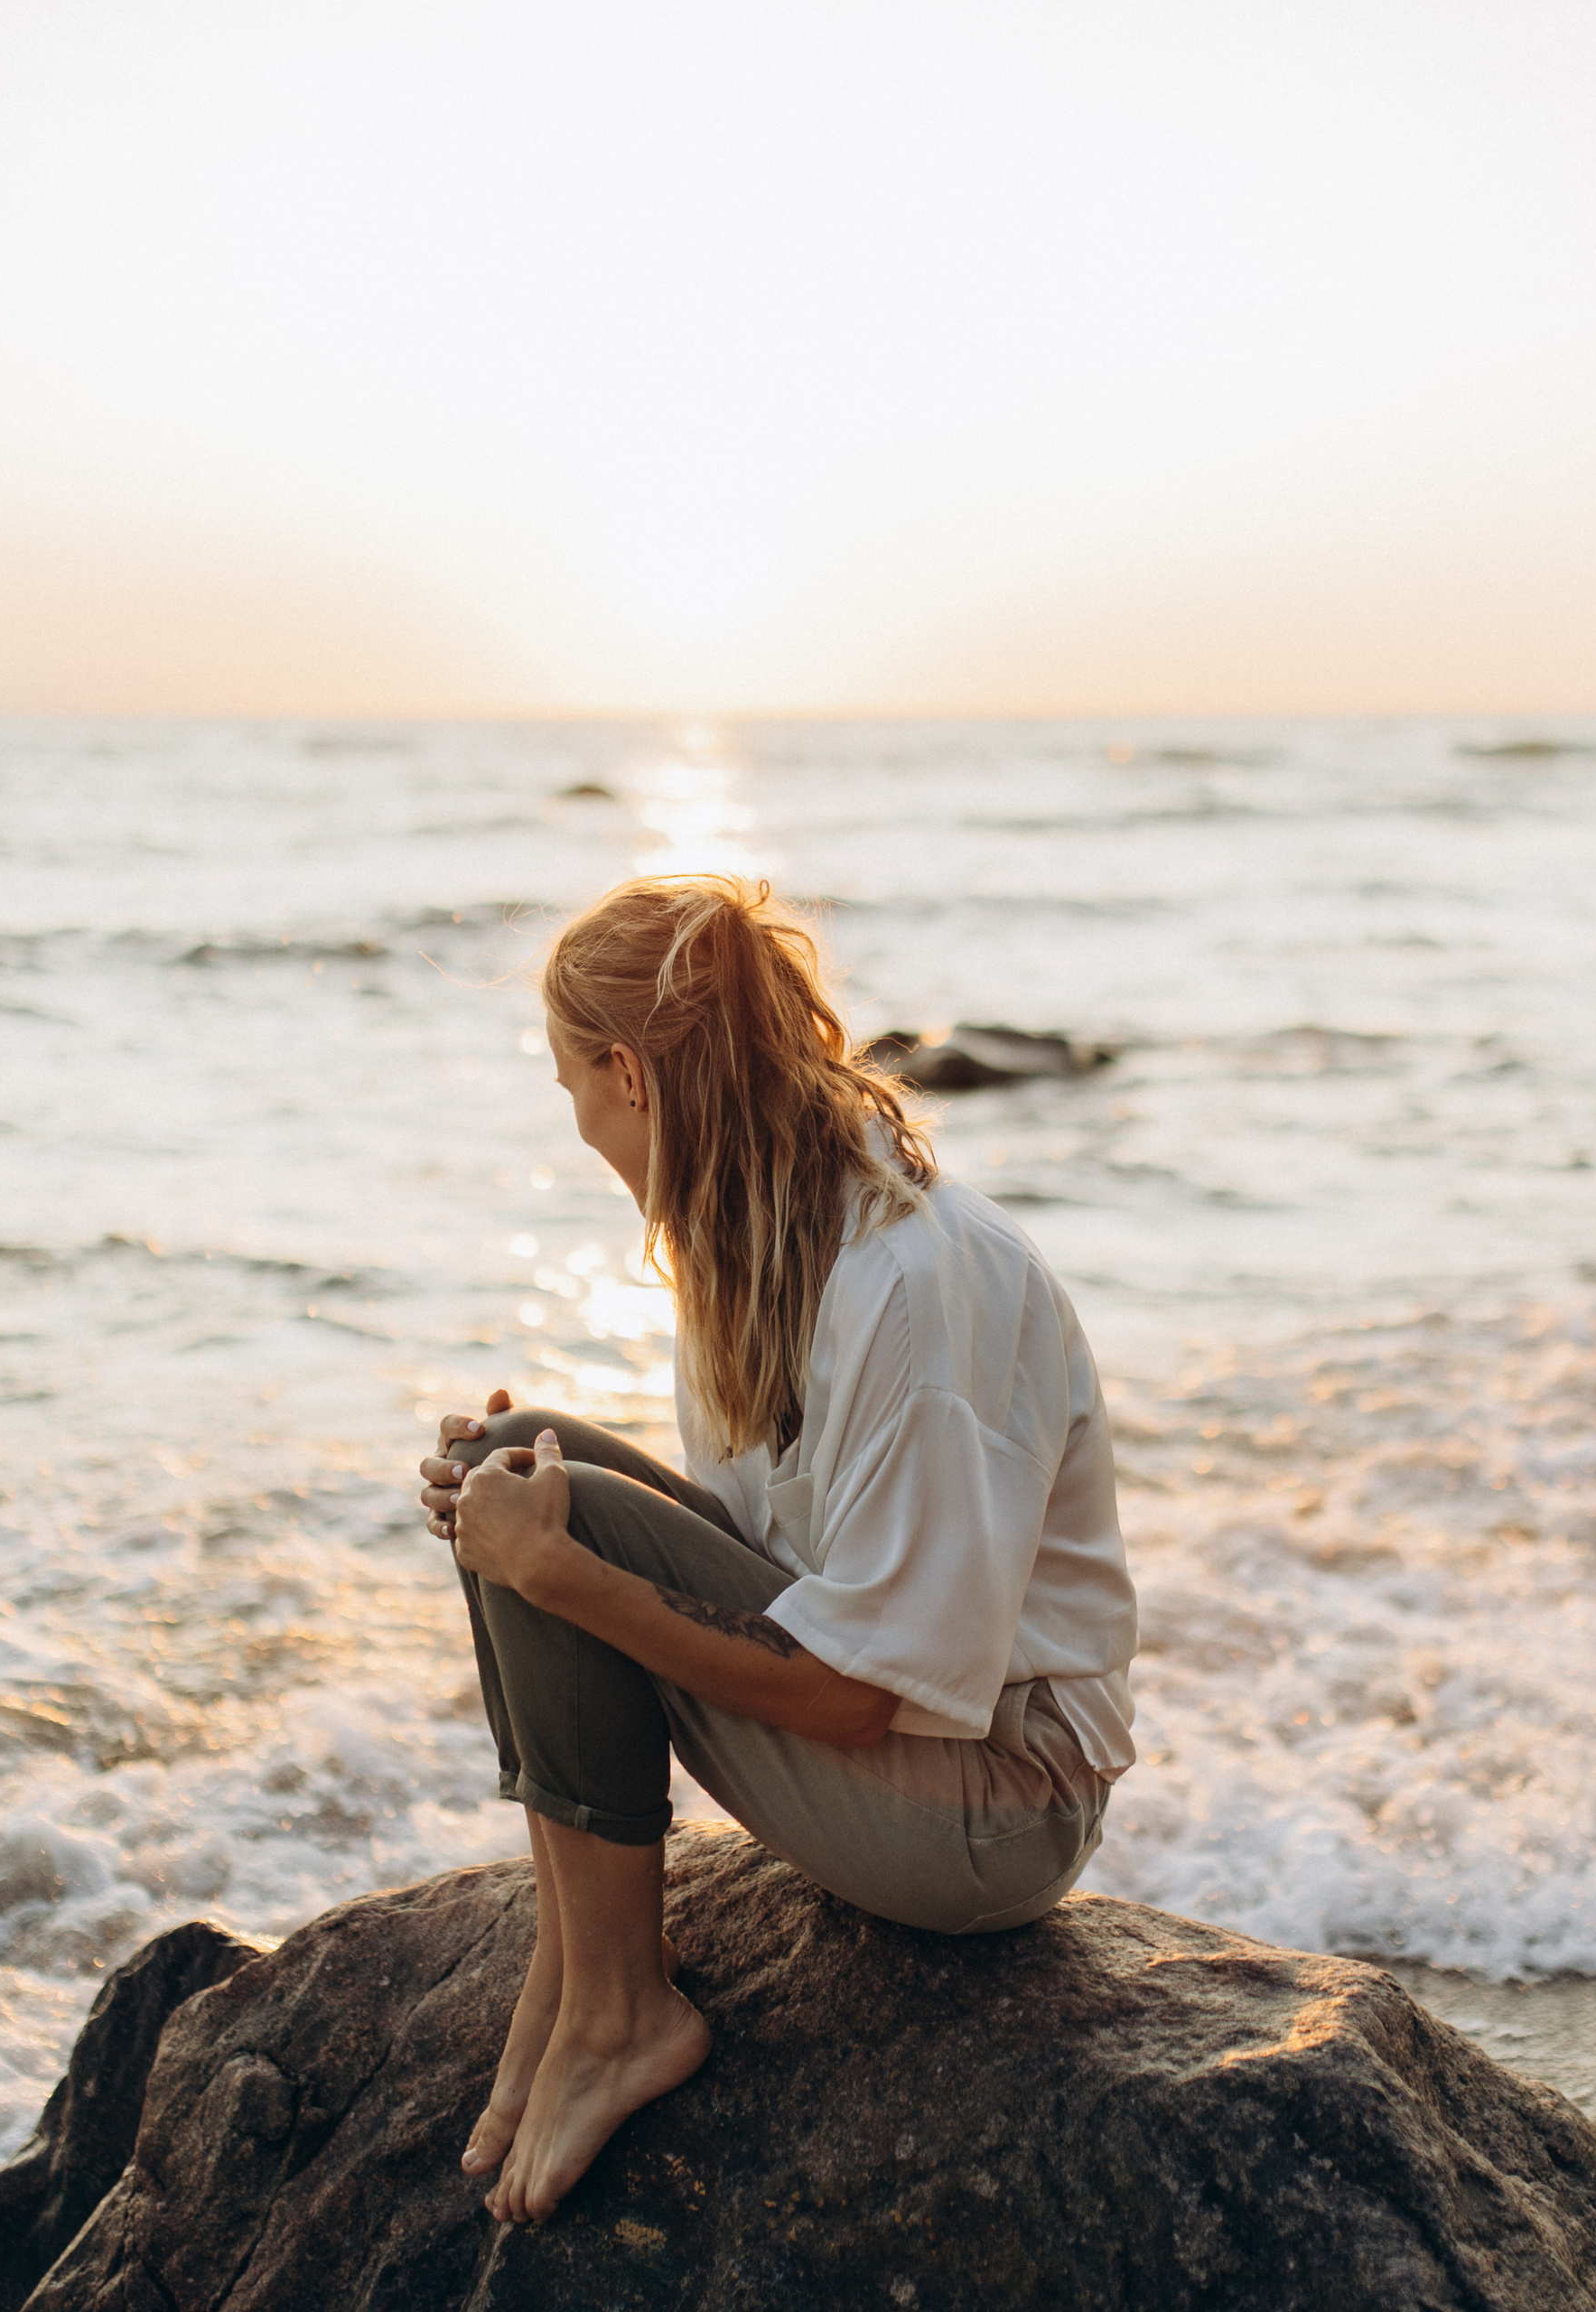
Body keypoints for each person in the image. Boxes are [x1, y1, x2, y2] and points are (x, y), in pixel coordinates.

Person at [415, 874, 1137, 2225]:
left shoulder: (911, 1286)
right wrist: (529, 1528)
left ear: (630, 1075)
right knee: (505, 1465)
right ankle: (579, 1971)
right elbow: (769, 1567)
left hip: (997, 1806)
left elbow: (859, 1693)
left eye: (571, 1084)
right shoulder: (756, 1240)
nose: (578, 1125)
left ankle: (621, 2011)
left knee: (552, 1527)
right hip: (907, 1750)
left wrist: (564, 1573)